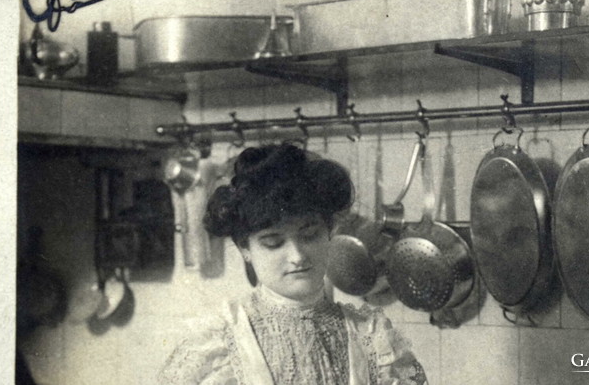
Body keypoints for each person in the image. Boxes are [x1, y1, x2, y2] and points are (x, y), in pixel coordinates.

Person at [159, 143, 427, 385]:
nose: (297, 255)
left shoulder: (373, 339)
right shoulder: (216, 343)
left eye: (310, 235)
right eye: (273, 242)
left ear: (330, 231)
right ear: (245, 249)